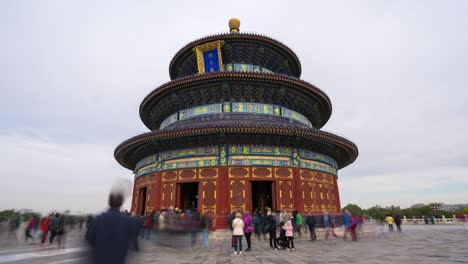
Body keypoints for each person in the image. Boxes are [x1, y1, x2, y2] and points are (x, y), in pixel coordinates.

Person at [86, 192, 138, 264]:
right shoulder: (128, 220)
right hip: (118, 259)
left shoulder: (99, 218)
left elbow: (90, 238)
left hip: (99, 259)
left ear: (109, 202)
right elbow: (132, 237)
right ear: (121, 203)